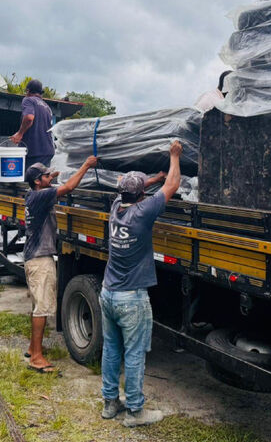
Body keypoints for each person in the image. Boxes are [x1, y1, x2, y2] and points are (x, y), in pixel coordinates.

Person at [99, 140, 182, 427]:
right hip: (131, 299)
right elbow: (172, 185)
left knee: (112, 349)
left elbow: (127, 184)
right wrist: (173, 157)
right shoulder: (144, 213)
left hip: (108, 292)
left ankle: (110, 403)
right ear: (144, 195)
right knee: (134, 354)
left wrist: (151, 179)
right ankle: (135, 411)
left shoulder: (115, 208)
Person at [22, 156, 98, 373]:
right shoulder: (42, 196)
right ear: (38, 182)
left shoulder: (32, 194)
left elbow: (50, 182)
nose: (50, 177)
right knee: (42, 308)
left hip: (32, 257)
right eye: (46, 176)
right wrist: (85, 164)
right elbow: (70, 186)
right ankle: (36, 357)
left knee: (38, 305)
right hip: (40, 259)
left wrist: (50, 176)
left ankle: (32, 348)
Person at [9, 79, 55, 166]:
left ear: (28, 91)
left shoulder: (28, 100)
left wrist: (20, 133)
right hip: (47, 151)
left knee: (29, 178)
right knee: (41, 178)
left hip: (34, 151)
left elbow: (29, 118)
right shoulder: (47, 106)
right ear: (41, 92)